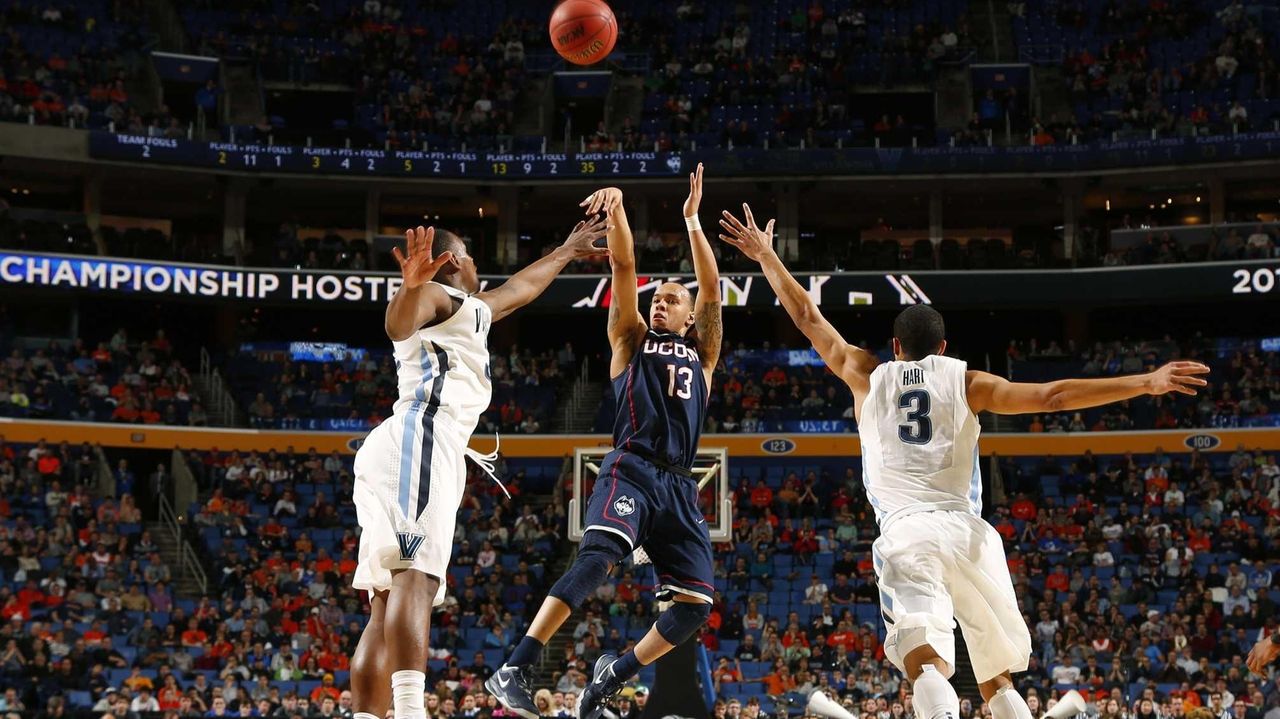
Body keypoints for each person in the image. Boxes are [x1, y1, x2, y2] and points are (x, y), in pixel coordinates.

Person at [717, 202, 1210, 719]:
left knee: (926, 664)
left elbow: (807, 317)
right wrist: (1146, 382)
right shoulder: (969, 381)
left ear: (895, 346)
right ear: (944, 347)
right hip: (970, 533)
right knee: (996, 677)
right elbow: (1054, 398)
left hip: (908, 530)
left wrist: (767, 257)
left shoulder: (865, 373)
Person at [348, 216, 610, 719]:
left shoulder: (469, 310)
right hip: (421, 437)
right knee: (415, 578)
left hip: (407, 444)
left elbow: (520, 289)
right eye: (467, 255)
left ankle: (367, 714)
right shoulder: (436, 299)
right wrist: (410, 288)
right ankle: (408, 712)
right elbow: (398, 323)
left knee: (385, 600)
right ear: (450, 263)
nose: (475, 263)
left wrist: (567, 249)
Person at [488, 166, 723, 719]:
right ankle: (516, 665)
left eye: (671, 299)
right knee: (599, 558)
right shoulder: (630, 338)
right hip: (631, 468)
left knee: (695, 606)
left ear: (691, 319)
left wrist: (692, 221)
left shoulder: (704, 355)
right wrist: (617, 211)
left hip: (679, 486)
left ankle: (613, 673)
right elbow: (623, 264)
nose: (660, 303)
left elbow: (711, 287)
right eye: (657, 298)